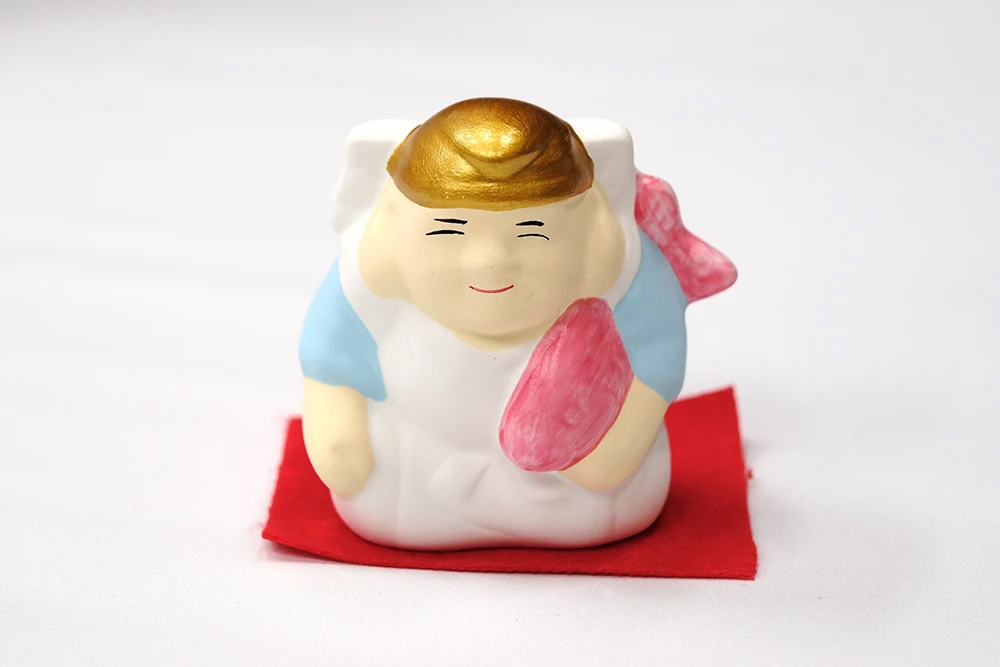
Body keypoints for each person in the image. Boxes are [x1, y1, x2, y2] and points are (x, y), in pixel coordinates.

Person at [299, 98, 688, 549]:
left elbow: (657, 353)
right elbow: (329, 360)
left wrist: (618, 446)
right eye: (448, 230)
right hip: (412, 471)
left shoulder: (626, 273)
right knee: (380, 490)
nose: (491, 263)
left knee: (602, 493)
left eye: (532, 232)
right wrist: (337, 436)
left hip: (575, 488)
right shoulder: (363, 285)